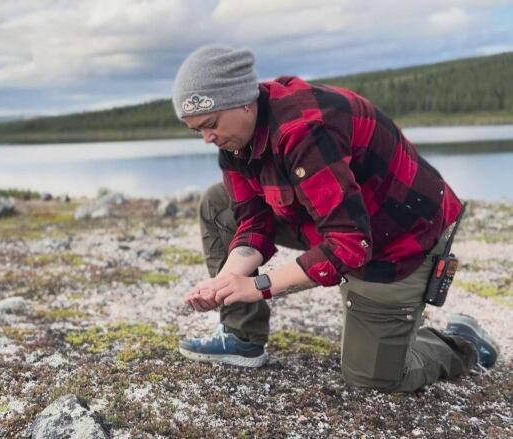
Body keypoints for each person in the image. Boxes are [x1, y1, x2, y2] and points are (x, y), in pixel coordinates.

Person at [173, 45, 499, 392]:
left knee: (375, 379)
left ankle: (463, 343)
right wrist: (223, 284)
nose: (208, 138)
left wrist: (257, 286)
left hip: (404, 236)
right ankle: (242, 337)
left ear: (242, 100)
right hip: (335, 220)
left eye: (210, 124)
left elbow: (349, 246)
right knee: (217, 203)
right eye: (198, 131)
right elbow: (253, 222)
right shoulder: (234, 144)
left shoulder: (305, 130)